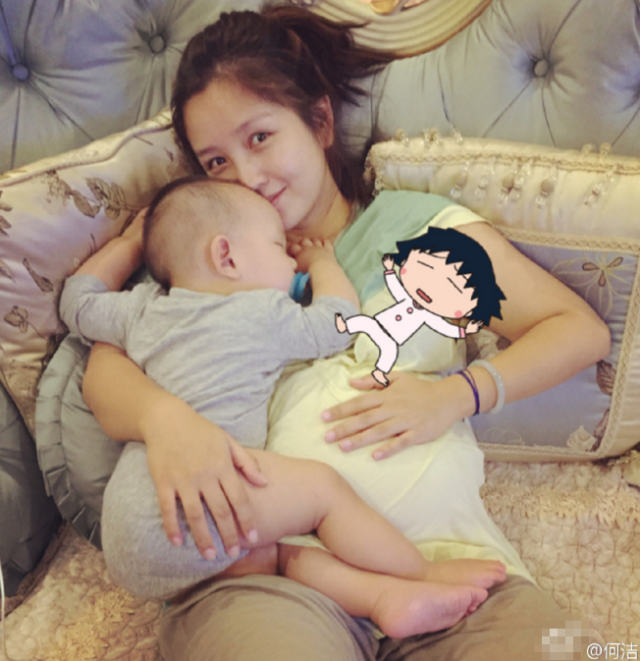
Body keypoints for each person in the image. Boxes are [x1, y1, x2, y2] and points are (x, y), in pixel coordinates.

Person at [80, 6, 609, 660]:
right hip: (262, 577)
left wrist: (456, 395)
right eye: (216, 160)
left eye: (260, 137)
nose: (246, 177)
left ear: (320, 121)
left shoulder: (416, 231)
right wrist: (165, 421)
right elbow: (104, 372)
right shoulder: (203, 254)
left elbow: (577, 329)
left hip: (452, 571)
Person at [60, 175, 505, 636]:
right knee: (323, 491)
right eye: (278, 245)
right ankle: (421, 572)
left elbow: (77, 302)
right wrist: (321, 262)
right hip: (187, 508)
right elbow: (338, 322)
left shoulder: (141, 309)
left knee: (280, 552)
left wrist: (131, 243)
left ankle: (383, 599)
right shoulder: (261, 312)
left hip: (129, 525)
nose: (289, 259)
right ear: (226, 257)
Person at [336, 226, 505, 385]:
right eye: (426, 268)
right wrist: (389, 271)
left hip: (392, 343)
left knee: (389, 353)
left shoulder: (430, 317)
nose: (429, 288)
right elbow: (396, 288)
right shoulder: (405, 297)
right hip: (376, 326)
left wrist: (465, 331)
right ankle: (345, 326)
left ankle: (380, 372)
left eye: (449, 288)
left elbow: (445, 328)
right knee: (363, 322)